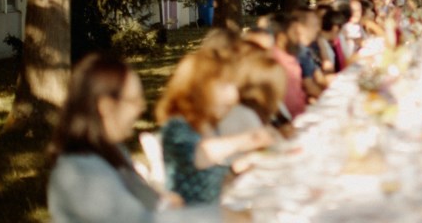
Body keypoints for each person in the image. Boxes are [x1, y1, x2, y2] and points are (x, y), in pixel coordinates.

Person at [47, 53, 240, 222]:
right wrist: (220, 217)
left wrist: (165, 201)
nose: (141, 108)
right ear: (105, 106)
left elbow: (150, 201)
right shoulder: (81, 171)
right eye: (133, 100)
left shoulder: (112, 152)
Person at [157, 49, 275, 204]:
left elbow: (212, 180)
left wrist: (237, 169)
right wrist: (247, 140)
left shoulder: (209, 124)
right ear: (198, 87)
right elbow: (199, 154)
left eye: (234, 87)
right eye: (224, 86)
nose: (233, 96)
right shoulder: (176, 127)